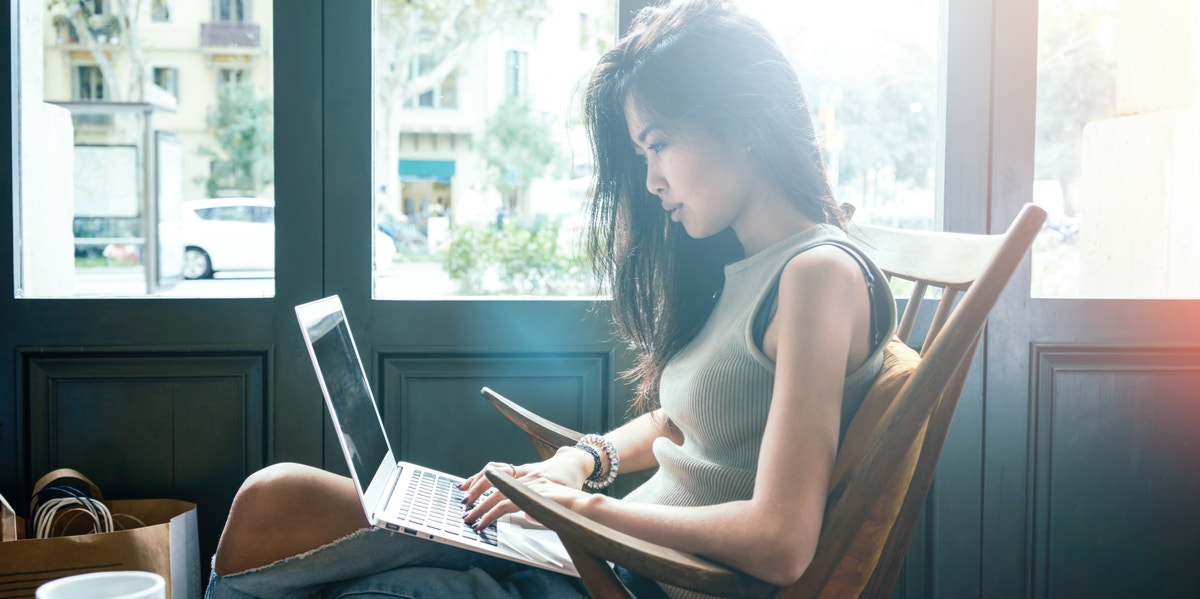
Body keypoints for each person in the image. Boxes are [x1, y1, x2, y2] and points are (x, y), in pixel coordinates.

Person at [204, 0, 896, 597]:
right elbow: (686, 421)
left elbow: (781, 539)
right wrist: (581, 463)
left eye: (659, 145)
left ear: (742, 121)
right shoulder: (749, 265)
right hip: (593, 553)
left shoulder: (818, 276)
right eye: (641, 154)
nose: (652, 180)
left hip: (624, 576)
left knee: (312, 554)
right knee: (274, 496)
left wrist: (576, 512)